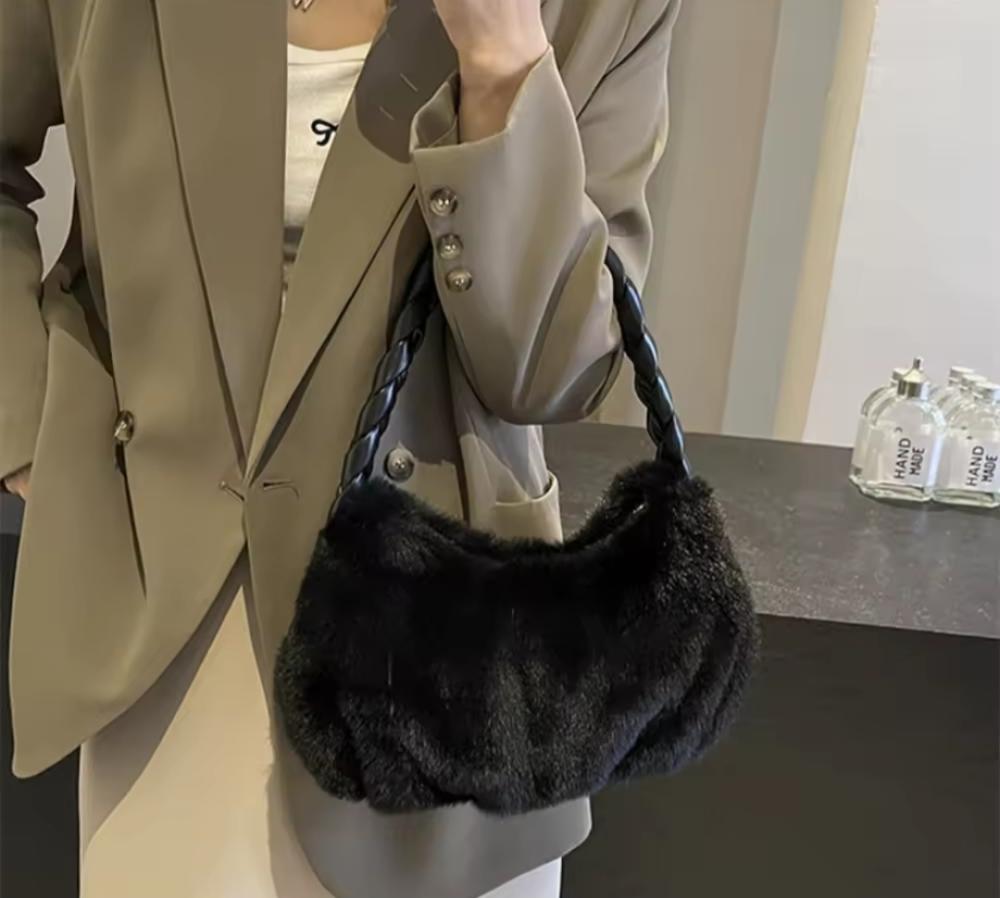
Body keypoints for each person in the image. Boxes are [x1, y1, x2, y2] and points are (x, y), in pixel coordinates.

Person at [0, 0, 681, 894]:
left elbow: (554, 372)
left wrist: (506, 64)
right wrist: (23, 422)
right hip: (165, 611)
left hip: (444, 651)